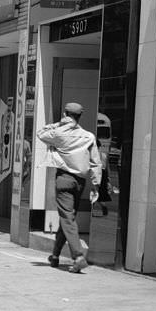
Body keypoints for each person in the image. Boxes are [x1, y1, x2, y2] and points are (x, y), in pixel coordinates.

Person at [37, 102, 102, 272]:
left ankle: (78, 256)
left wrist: (59, 123)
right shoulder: (88, 136)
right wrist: (96, 185)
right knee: (68, 218)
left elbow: (41, 133)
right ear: (80, 116)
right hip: (80, 182)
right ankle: (55, 255)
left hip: (64, 179)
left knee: (67, 219)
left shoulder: (59, 133)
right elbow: (96, 163)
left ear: (66, 114)